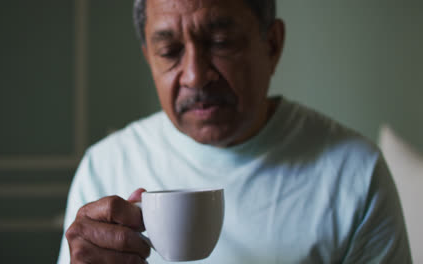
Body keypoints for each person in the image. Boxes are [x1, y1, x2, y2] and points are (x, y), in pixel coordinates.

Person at [57, 0, 412, 263]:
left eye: (222, 42)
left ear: (272, 46)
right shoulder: (104, 166)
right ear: (149, 57)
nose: (195, 75)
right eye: (169, 51)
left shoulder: (356, 173)